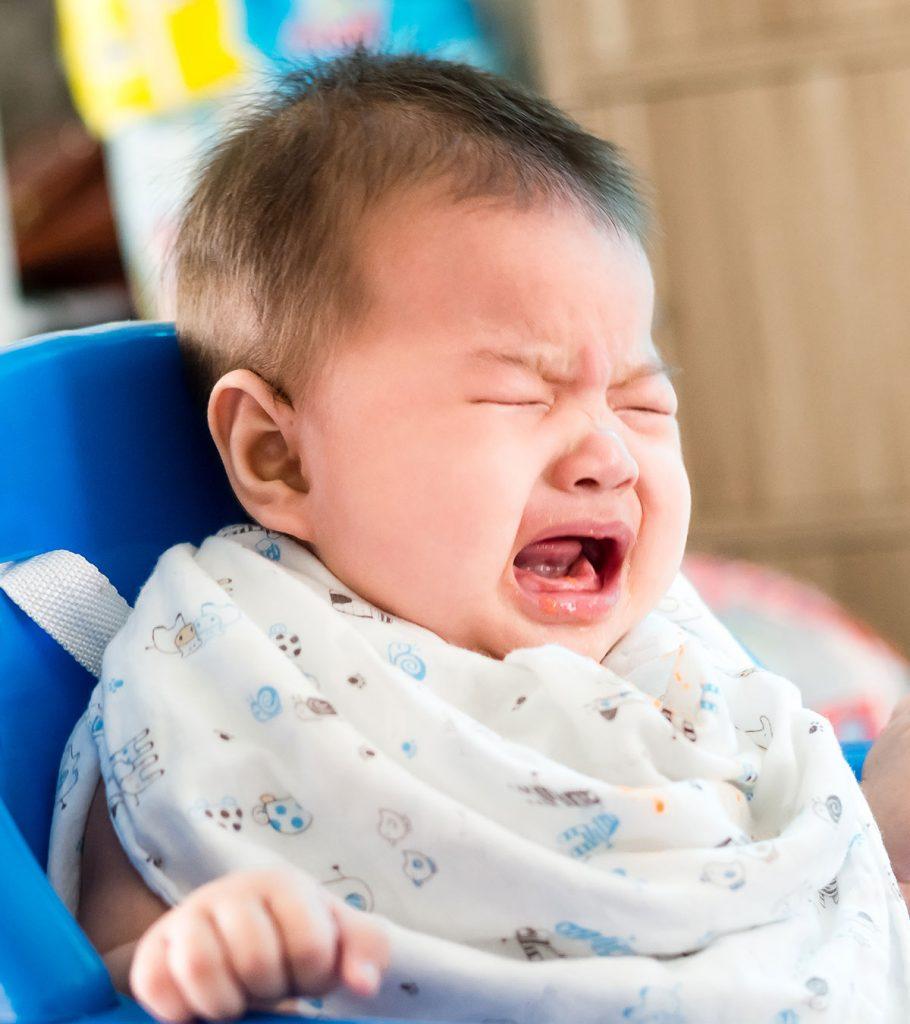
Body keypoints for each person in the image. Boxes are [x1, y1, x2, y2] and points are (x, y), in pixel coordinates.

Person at [48, 49, 910, 1024]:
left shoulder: (660, 656)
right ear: (280, 457)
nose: (610, 458)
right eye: (517, 394)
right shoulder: (221, 663)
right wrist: (184, 954)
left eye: (642, 400)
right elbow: (95, 963)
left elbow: (754, 865)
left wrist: (861, 837)